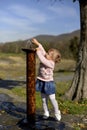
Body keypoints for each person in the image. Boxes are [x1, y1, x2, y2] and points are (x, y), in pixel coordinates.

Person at [31, 38, 61, 121]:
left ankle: (57, 112)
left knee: (52, 99)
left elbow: (42, 59)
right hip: (41, 81)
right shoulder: (47, 57)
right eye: (47, 53)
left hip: (49, 83)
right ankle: (46, 112)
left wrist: (37, 51)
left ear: (52, 58)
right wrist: (37, 43)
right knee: (44, 100)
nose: (46, 54)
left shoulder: (51, 63)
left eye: (48, 54)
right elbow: (43, 51)